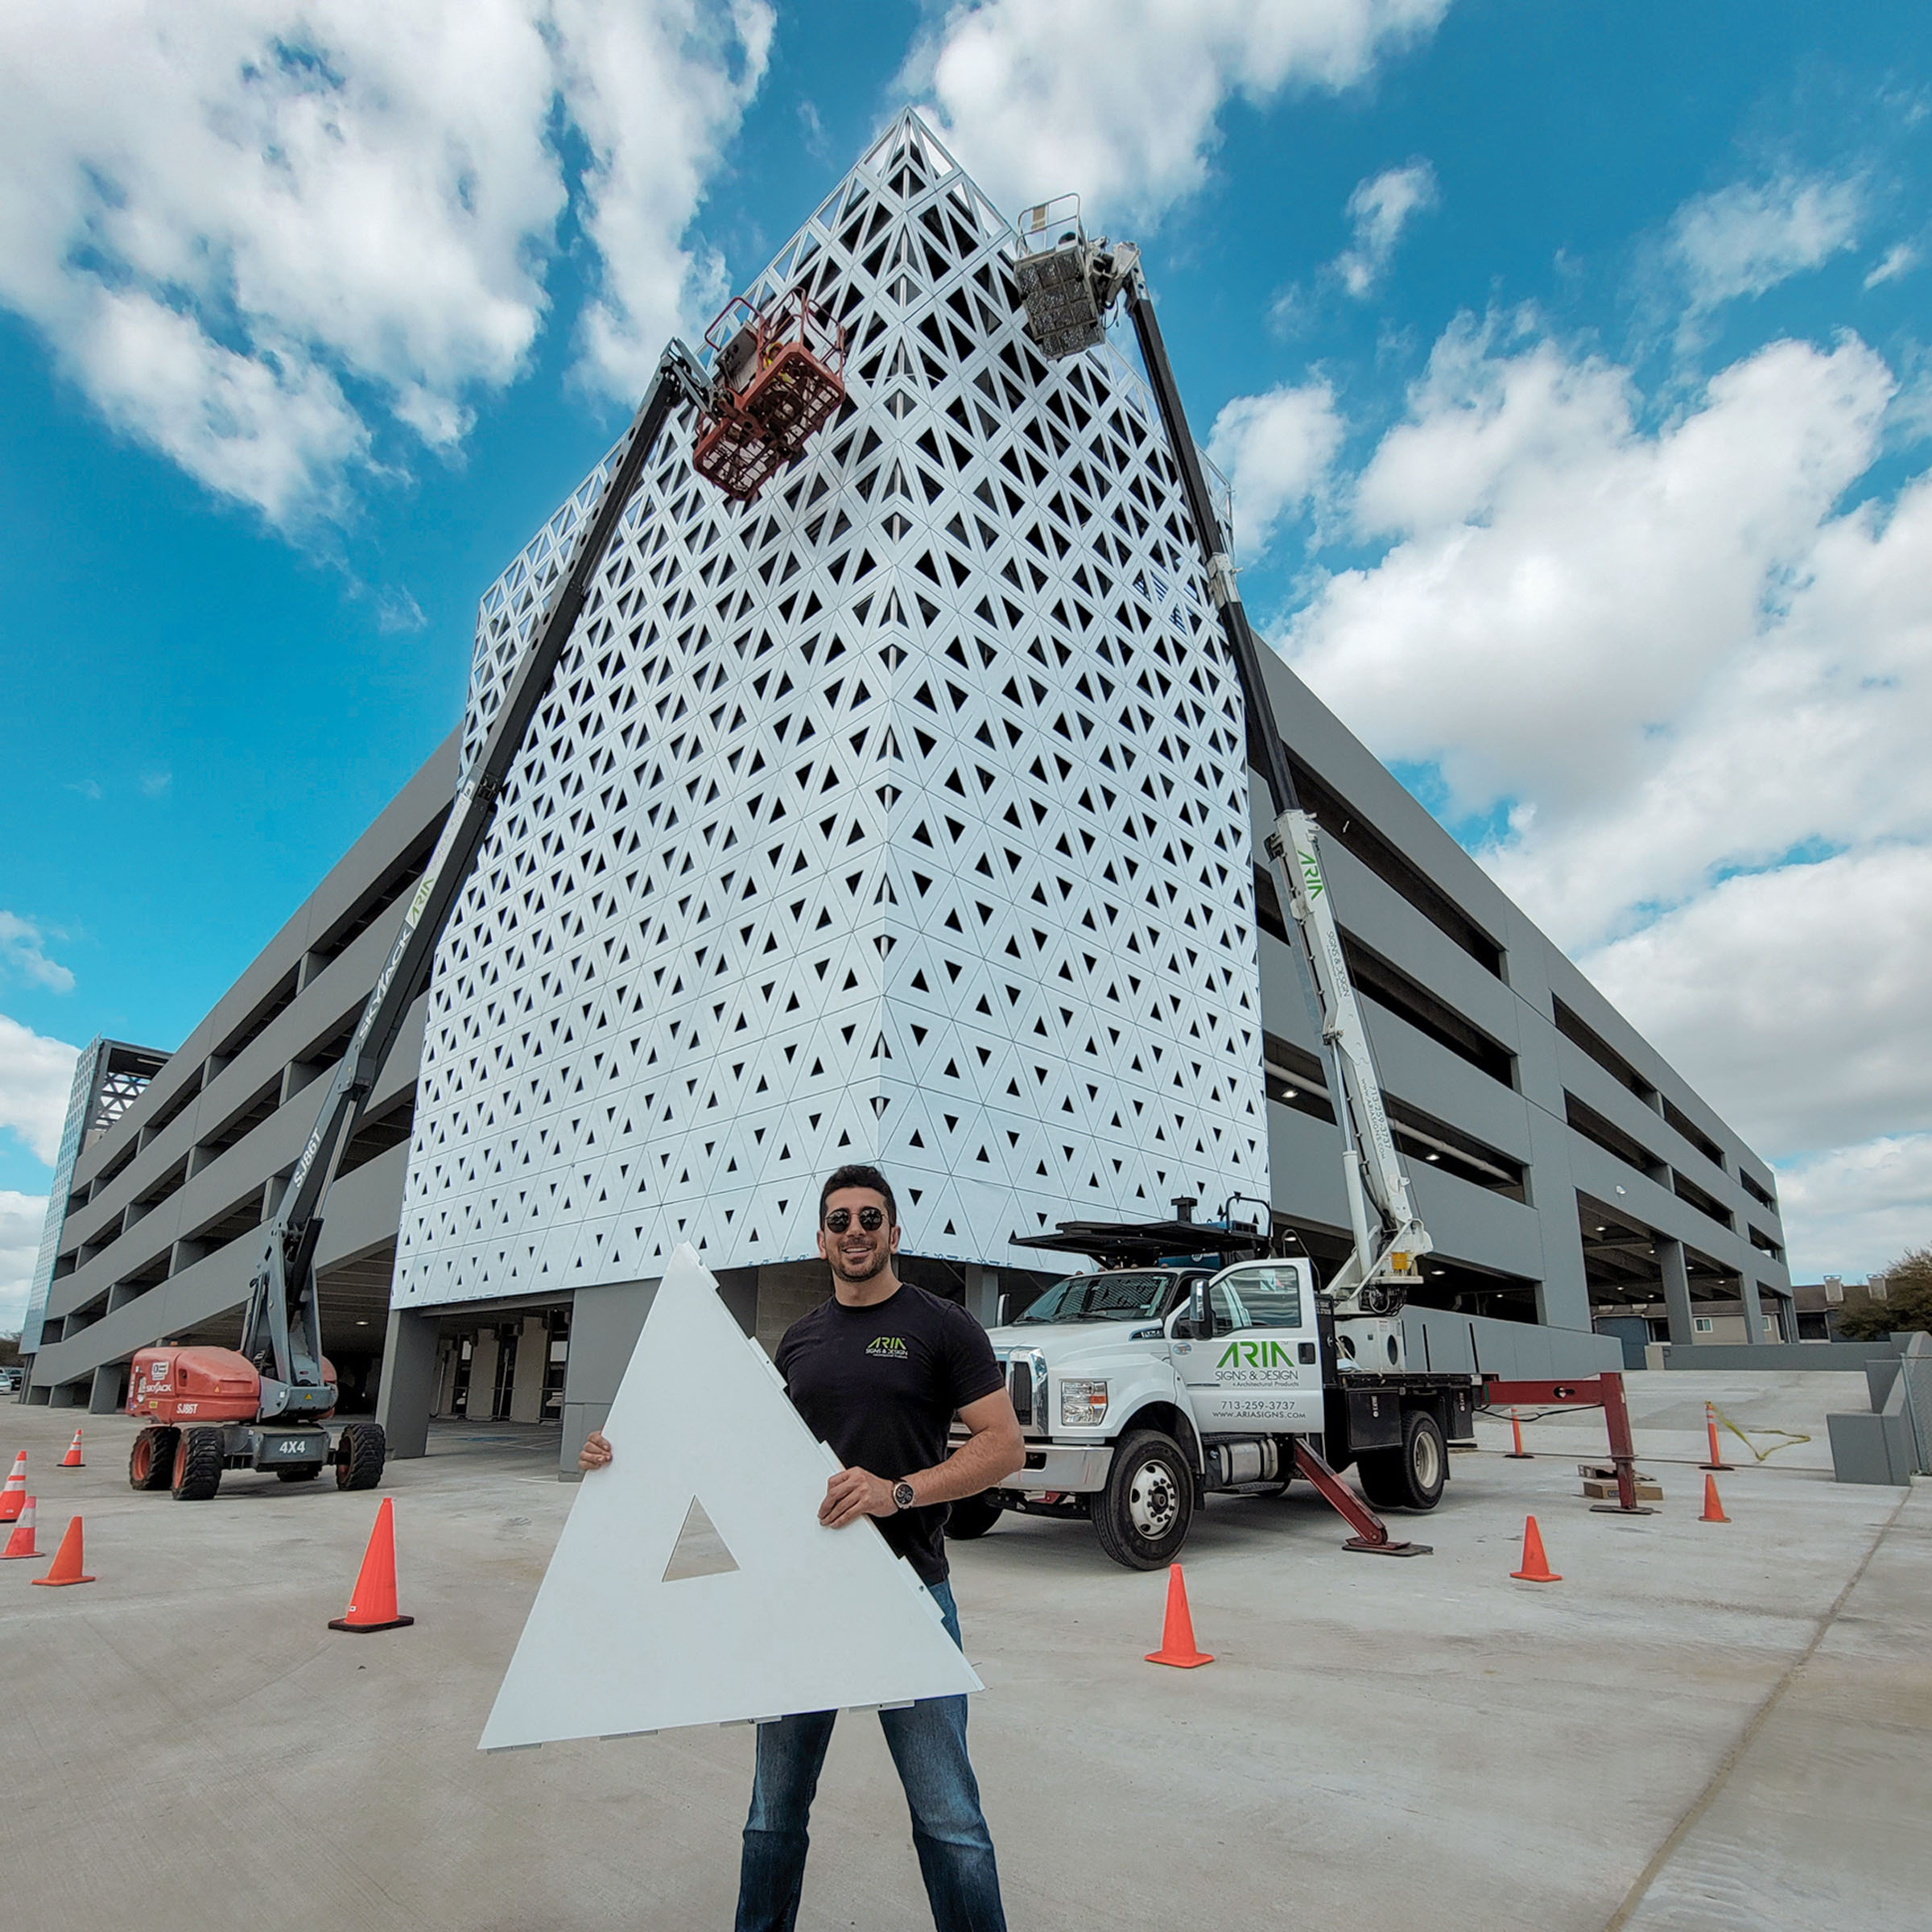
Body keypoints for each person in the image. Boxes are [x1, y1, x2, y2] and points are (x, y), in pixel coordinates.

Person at [578, 1162, 1024, 1932]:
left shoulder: (942, 1326)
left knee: (949, 1819)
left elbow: (1004, 1446)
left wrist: (899, 1491)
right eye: (841, 1220)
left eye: (870, 1218)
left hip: (908, 1594)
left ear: (894, 1231)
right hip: (803, 1600)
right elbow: (750, 1453)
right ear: (822, 1238)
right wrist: (628, 1456)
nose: (856, 1232)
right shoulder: (801, 1340)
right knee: (772, 1818)